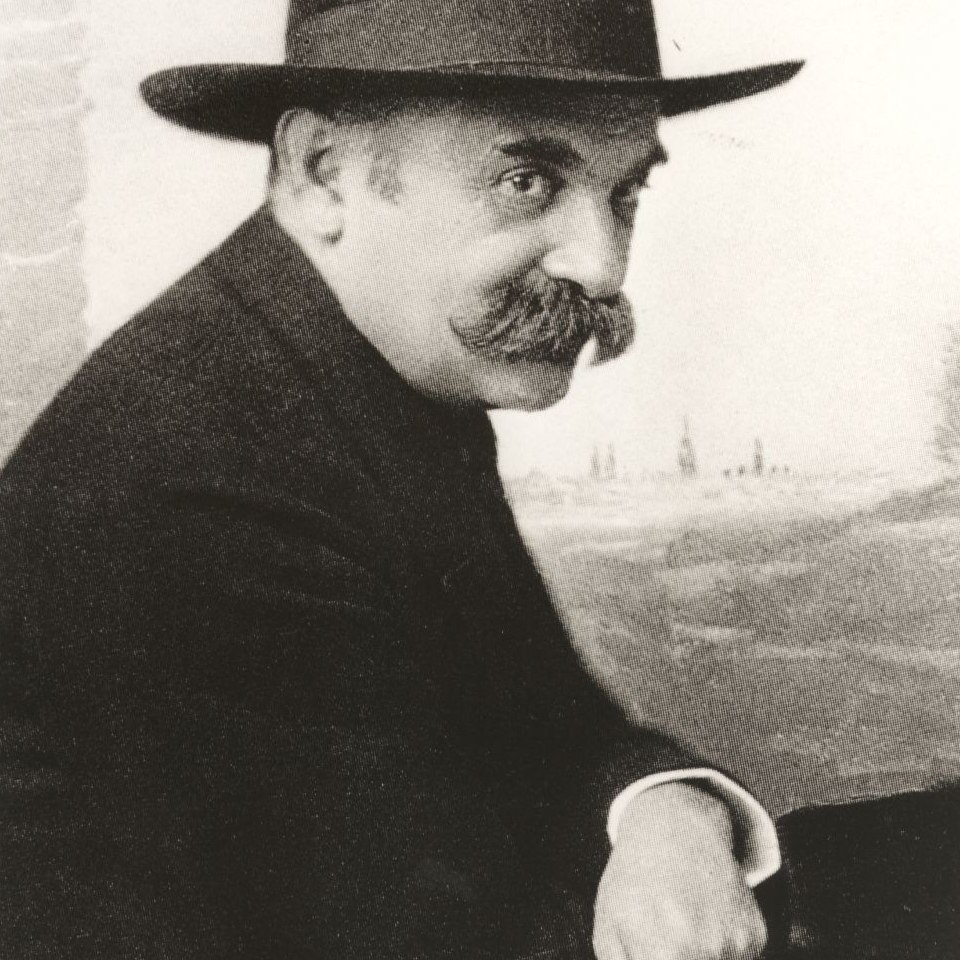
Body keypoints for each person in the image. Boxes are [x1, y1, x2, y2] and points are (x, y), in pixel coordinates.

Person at [0, 2, 803, 957]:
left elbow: (546, 729)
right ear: (321, 172)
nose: (600, 263)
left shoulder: (382, 370)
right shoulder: (193, 480)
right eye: (526, 180)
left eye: (624, 193)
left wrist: (670, 811)